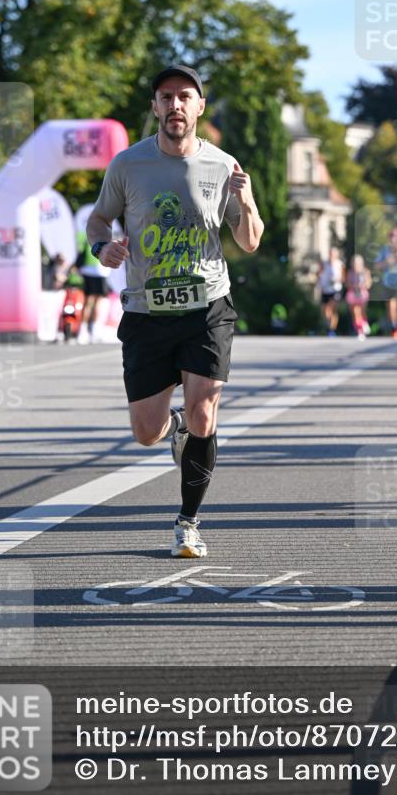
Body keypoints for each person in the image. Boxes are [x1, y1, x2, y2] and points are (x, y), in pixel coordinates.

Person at [86, 64, 264, 558]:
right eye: (165, 97)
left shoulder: (224, 166)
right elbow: (99, 220)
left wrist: (246, 203)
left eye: (185, 96)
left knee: (206, 406)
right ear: (155, 107)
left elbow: (249, 242)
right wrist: (103, 248)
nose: (175, 105)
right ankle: (175, 427)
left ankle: (188, 521)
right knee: (146, 433)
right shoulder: (127, 165)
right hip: (147, 311)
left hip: (207, 306)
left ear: (199, 107)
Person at [317, 245, 344, 336]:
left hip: (335, 289)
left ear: (336, 255)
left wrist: (336, 279)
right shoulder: (324, 264)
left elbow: (343, 277)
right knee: (325, 311)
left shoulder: (339, 264)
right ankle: (329, 324)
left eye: (333, 254)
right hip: (325, 289)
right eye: (330, 253)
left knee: (331, 309)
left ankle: (332, 329)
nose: (331, 255)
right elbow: (319, 275)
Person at [345, 254, 372, 339]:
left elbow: (369, 284)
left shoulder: (366, 272)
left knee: (362, 312)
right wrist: (354, 285)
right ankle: (359, 330)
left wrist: (362, 285)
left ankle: (364, 324)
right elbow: (347, 284)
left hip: (362, 294)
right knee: (355, 312)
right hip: (353, 293)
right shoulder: (350, 272)